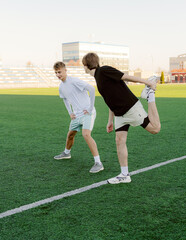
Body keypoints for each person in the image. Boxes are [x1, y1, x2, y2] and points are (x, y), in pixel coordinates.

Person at [82, 53, 161, 184]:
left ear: (87, 65)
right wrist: (110, 120)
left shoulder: (104, 70)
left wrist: (148, 83)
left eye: (83, 65)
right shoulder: (98, 78)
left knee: (155, 129)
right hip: (119, 115)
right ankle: (124, 174)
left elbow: (126, 77)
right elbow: (110, 99)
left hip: (130, 108)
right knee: (119, 141)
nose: (83, 67)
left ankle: (150, 94)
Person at [53, 61, 104, 173]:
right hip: (76, 115)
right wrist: (70, 112)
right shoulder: (61, 86)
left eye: (60, 72)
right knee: (70, 134)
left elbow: (91, 89)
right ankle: (66, 153)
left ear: (65, 70)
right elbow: (65, 99)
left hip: (87, 113)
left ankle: (98, 163)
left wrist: (90, 108)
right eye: (56, 73)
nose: (58, 75)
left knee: (86, 134)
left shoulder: (74, 81)